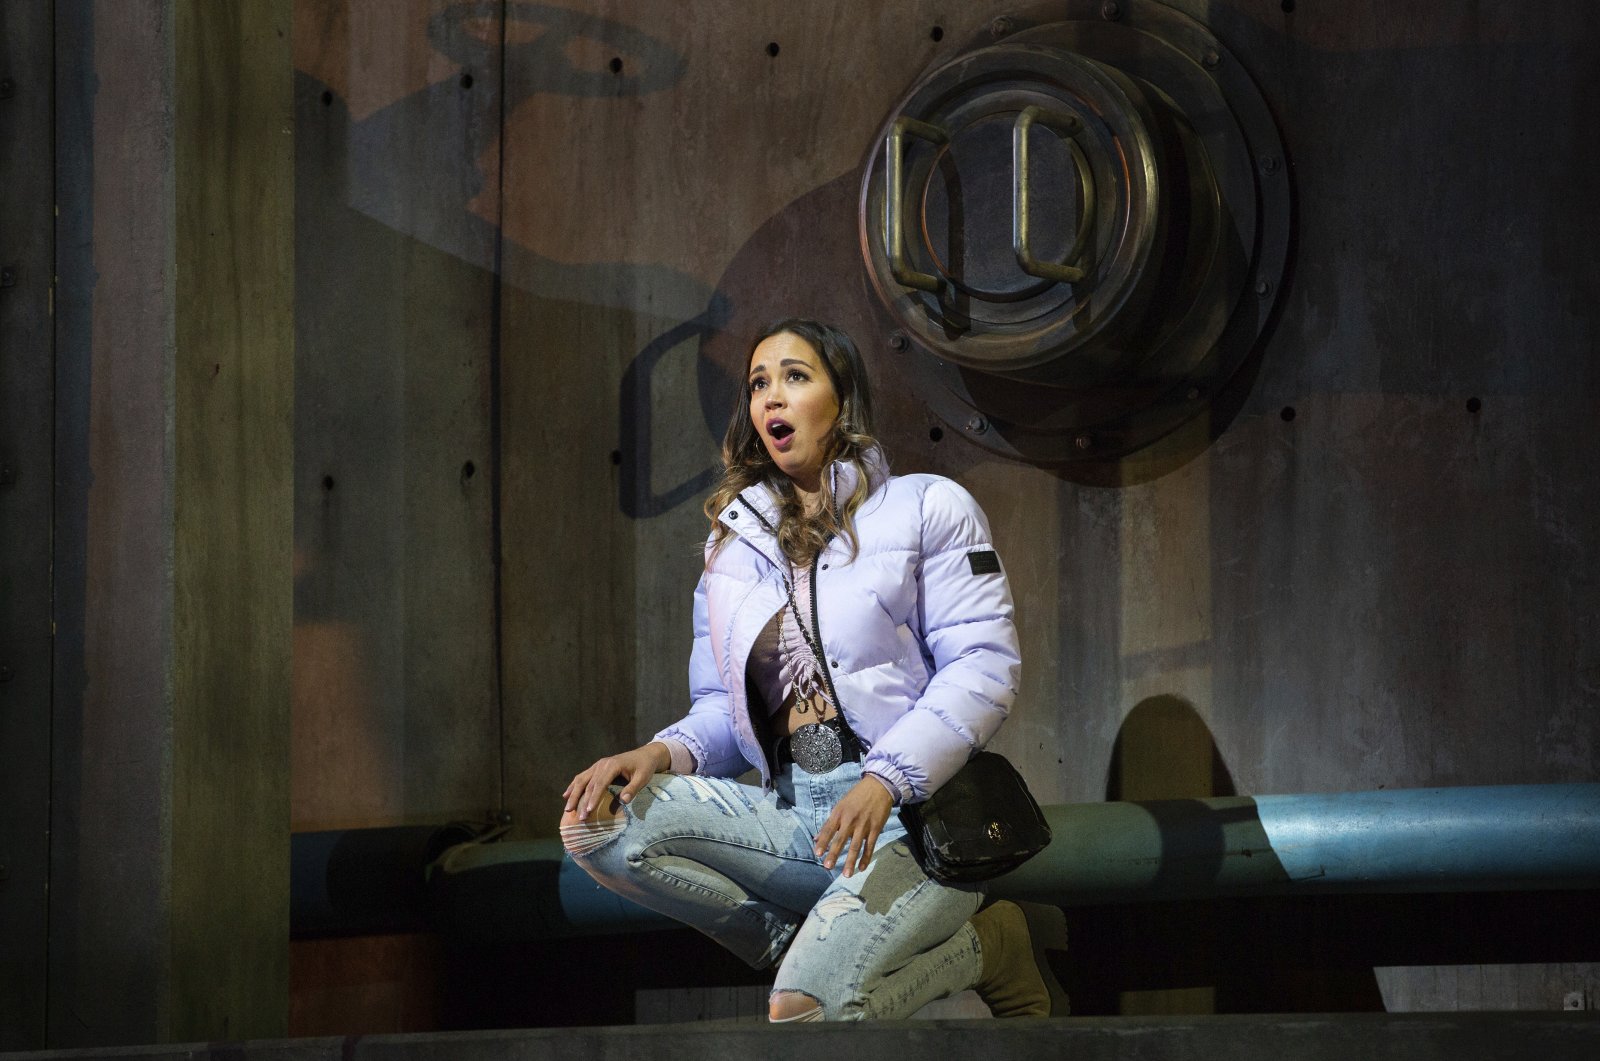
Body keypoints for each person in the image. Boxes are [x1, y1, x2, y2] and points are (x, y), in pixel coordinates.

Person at [559, 318, 1066, 1021]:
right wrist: (658, 751)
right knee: (598, 822)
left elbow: (983, 667)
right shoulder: (728, 551)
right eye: (759, 382)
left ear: (843, 398)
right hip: (795, 817)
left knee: (805, 1014)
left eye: (796, 376)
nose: (773, 396)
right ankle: (805, 943)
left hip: (912, 823)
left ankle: (988, 947)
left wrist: (886, 778)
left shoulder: (926, 507)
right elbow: (723, 716)